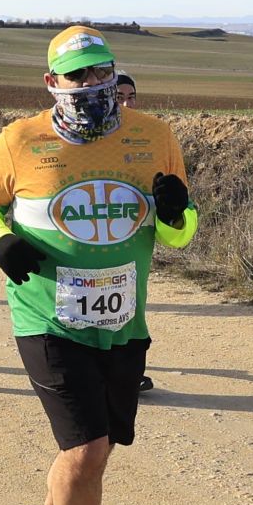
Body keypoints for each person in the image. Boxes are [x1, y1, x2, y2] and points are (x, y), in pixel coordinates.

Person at [0, 26, 197, 505]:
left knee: (95, 454)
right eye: (78, 78)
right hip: (45, 316)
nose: (92, 87)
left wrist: (177, 213)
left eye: (102, 75)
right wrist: (0, 243)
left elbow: (178, 234)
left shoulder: (155, 138)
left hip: (122, 320)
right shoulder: (21, 141)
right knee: (88, 450)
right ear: (51, 84)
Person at [115, 73, 154, 392]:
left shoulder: (148, 138)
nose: (127, 103)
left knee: (131, 299)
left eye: (131, 96)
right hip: (92, 234)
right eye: (119, 96)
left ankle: (131, 370)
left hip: (133, 236)